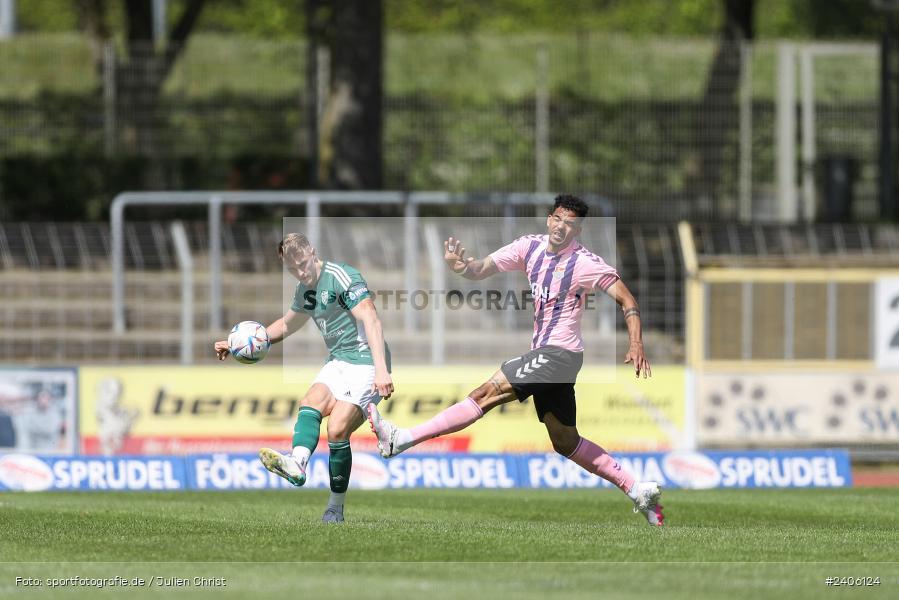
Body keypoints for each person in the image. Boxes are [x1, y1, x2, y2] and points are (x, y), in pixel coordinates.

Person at [368, 194, 664, 526]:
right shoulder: (529, 247)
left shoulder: (585, 263)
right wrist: (461, 267)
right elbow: (480, 269)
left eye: (571, 224)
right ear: (549, 219)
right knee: (565, 442)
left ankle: (401, 439)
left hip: (559, 355)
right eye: (558, 219)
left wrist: (636, 343)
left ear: (578, 231)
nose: (561, 227)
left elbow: (627, 300)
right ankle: (638, 489)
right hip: (554, 357)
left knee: (485, 394)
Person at [214, 233, 393, 523]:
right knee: (310, 402)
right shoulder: (305, 288)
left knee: (336, 430)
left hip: (365, 363)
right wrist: (234, 344)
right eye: (293, 269)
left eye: (302, 264)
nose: (300, 272)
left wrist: (382, 369)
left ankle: (335, 509)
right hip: (338, 361)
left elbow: (371, 319)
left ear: (312, 252)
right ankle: (297, 463)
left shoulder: (341, 276)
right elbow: (286, 325)